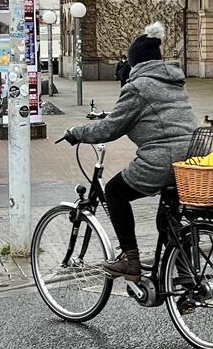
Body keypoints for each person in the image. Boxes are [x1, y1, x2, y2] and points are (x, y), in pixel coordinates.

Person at [59, 22, 196, 277]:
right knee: (168, 221)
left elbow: (110, 129)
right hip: (191, 157)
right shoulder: (174, 81)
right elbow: (153, 113)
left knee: (114, 192)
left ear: (136, 62)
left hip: (162, 158)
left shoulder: (137, 86)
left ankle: (130, 261)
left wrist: (77, 133)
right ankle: (188, 277)